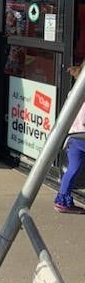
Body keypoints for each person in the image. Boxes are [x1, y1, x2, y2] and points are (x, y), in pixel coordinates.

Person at [55, 62, 85, 214]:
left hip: (73, 136)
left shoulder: (73, 93)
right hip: (82, 135)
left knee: (73, 169)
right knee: (74, 169)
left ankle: (62, 201)